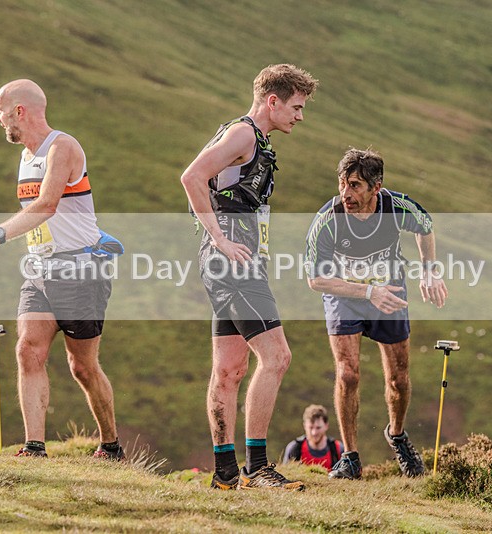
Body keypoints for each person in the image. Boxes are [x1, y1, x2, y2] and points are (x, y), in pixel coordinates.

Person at [0, 79, 124, 460]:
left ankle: (111, 446)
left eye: (0, 109)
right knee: (28, 351)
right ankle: (35, 447)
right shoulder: (26, 156)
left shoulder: (61, 147)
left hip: (80, 271)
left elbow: (47, 205)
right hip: (40, 270)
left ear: (20, 111)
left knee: (82, 367)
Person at [180, 64, 318, 490]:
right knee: (277, 357)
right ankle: (257, 468)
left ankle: (224, 473)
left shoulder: (251, 138)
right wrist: (220, 239)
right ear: (272, 101)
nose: (300, 116)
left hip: (234, 261)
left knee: (229, 368)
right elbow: (191, 177)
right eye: (295, 107)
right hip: (233, 263)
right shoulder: (242, 134)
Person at [304, 147, 448, 479]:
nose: (346, 193)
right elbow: (315, 280)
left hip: (391, 293)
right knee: (347, 374)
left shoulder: (395, 206)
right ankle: (350, 456)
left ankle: (397, 435)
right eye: (342, 183)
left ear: (376, 188)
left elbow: (425, 225)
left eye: (355, 185)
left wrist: (429, 270)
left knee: (398, 379)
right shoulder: (328, 220)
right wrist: (369, 291)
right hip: (345, 295)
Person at [283, 404, 344, 470]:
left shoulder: (338, 449)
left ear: (326, 426)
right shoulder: (294, 448)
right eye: (310, 428)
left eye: (318, 428)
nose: (314, 432)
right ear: (304, 426)